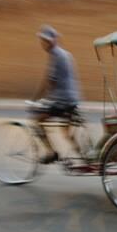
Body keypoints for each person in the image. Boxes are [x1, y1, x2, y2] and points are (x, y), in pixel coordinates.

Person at [30, 25, 81, 164]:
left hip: (62, 101)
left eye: (43, 41)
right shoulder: (66, 54)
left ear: (50, 41)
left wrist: (36, 99)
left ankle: (51, 152)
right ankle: (86, 157)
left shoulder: (56, 55)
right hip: (73, 99)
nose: (42, 44)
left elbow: (49, 81)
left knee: (37, 121)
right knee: (67, 132)